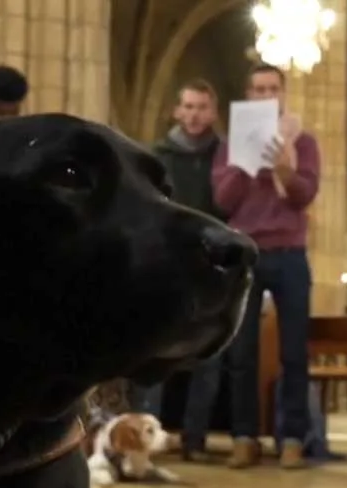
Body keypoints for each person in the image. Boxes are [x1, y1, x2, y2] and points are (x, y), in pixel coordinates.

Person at [211, 64, 320, 470]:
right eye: (258, 89)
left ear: (282, 95)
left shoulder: (303, 142)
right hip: (247, 251)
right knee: (241, 353)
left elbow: (304, 195)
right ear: (249, 95)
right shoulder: (229, 145)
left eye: (272, 89)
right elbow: (224, 200)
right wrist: (245, 160)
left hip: (290, 253)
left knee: (294, 352)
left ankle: (292, 437)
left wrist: (285, 171)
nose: (265, 95)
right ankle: (244, 436)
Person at [128, 79, 225, 462]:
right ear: (176, 111)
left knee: (207, 357)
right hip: (168, 265)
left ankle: (195, 439)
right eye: (188, 106)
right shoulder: (157, 156)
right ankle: (145, 439)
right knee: (156, 352)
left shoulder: (226, 157)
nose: (194, 114)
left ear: (213, 113)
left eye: (202, 107)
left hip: (210, 267)